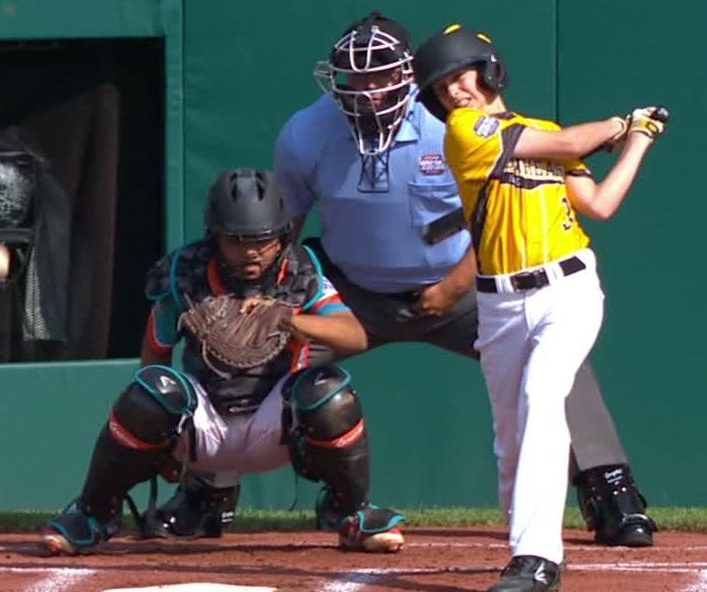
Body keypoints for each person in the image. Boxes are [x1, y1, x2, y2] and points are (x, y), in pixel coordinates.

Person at [151, 11, 658, 551]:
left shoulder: (455, 124)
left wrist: (458, 285)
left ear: (410, 76)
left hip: (463, 283)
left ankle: (610, 491)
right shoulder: (306, 131)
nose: (367, 92)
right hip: (352, 288)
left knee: (556, 361)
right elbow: (285, 231)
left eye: (380, 77)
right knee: (249, 347)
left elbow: (490, 213)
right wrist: (271, 303)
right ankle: (211, 490)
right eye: (354, 78)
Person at [413, 24, 667, 591]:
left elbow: (598, 204)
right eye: (442, 85)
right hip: (499, 303)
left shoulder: (546, 132)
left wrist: (638, 143)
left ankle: (537, 557)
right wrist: (620, 124)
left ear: (490, 69)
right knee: (512, 433)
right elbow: (572, 145)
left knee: (543, 395)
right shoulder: (466, 131)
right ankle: (525, 542)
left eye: (462, 75)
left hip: (568, 290)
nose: (454, 90)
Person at [42, 168, 405, 555]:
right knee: (152, 390)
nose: (251, 251)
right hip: (204, 422)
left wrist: (290, 319)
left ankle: (352, 512)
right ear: (215, 237)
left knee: (330, 391)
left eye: (263, 240)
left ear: (282, 236)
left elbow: (354, 334)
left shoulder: (299, 272)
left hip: (276, 425)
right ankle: (92, 513)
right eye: (236, 240)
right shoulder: (186, 274)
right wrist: (158, 444)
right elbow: (154, 359)